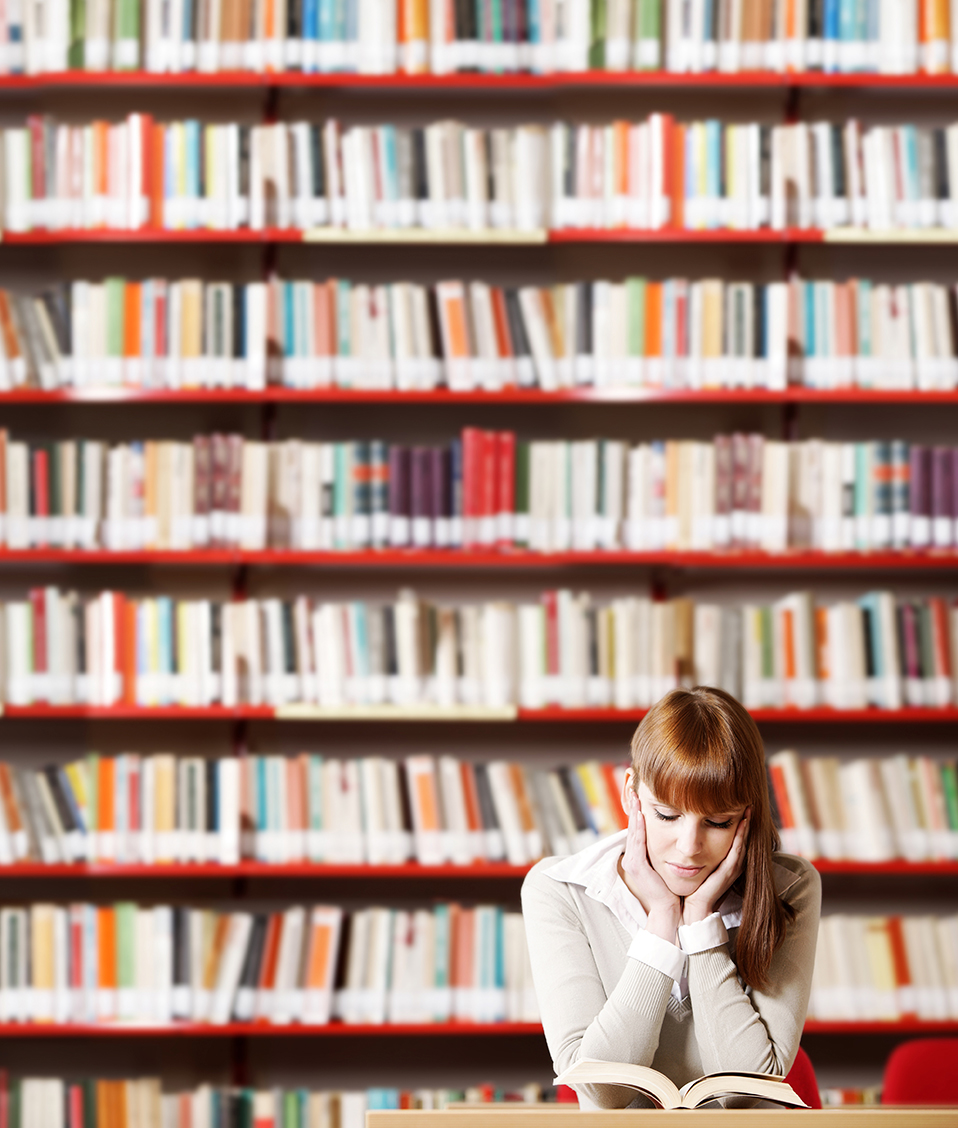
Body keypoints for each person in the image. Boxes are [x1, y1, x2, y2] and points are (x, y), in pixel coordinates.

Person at [521, 685, 821, 1109]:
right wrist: (662, 923)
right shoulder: (561, 889)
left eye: (717, 822)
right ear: (631, 795)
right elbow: (603, 1091)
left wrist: (700, 926)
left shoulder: (790, 888)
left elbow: (744, 1094)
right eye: (667, 815)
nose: (688, 846)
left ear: (747, 816)